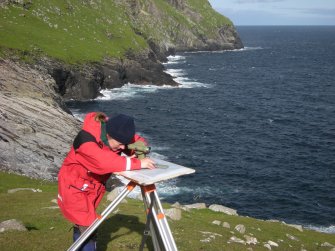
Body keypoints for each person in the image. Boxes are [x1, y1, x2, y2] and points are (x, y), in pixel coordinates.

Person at [57, 112, 155, 251]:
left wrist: (139, 146)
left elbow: (134, 140)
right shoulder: (86, 140)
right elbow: (103, 162)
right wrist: (138, 163)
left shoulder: (113, 130)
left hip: (90, 187)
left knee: (82, 224)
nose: (122, 147)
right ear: (109, 135)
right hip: (73, 187)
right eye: (121, 144)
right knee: (88, 227)